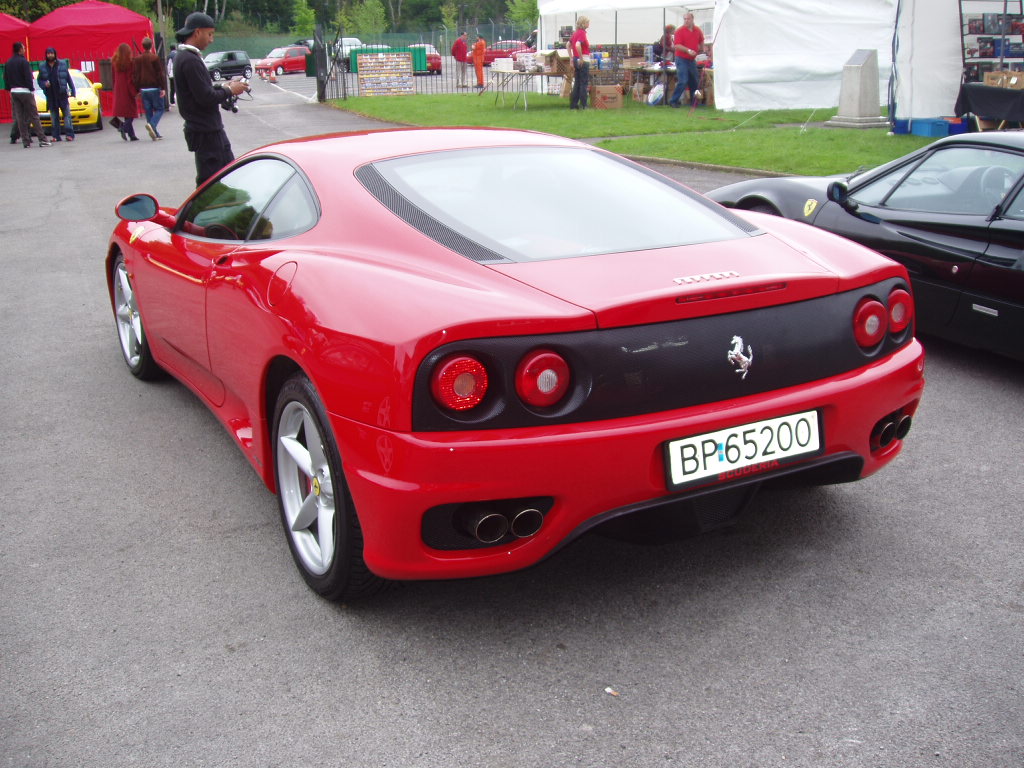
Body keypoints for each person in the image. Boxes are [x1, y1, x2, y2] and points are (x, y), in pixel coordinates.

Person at [173, 12, 248, 186]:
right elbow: (205, 97)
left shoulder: (185, 57)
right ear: (197, 32)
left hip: (205, 130)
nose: (211, 39)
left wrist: (224, 86)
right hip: (206, 132)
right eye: (210, 34)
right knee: (213, 183)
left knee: (224, 178)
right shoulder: (190, 60)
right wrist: (230, 90)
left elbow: (201, 91)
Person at [5, 42, 51, 147]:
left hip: (14, 91)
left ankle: (25, 141)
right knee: (34, 116)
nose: (25, 50)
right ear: (20, 50)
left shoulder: (8, 62)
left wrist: (10, 89)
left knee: (20, 117)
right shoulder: (24, 62)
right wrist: (31, 89)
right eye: (24, 48)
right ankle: (42, 139)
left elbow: (6, 78)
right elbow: (28, 77)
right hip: (25, 91)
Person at [37, 47, 76, 142]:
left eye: (52, 53)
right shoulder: (42, 66)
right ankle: (56, 136)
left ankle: (69, 135)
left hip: (62, 94)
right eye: (48, 53)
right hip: (51, 95)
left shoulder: (62, 64)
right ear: (46, 55)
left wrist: (73, 90)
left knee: (67, 115)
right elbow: (39, 80)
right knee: (54, 117)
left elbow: (68, 78)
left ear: (55, 54)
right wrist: (44, 84)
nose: (50, 55)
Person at [133, 37, 166, 140]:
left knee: (148, 111)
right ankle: (152, 125)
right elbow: (159, 73)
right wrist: (163, 87)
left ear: (143, 46)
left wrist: (137, 89)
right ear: (151, 45)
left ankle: (154, 132)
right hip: (154, 87)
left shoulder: (137, 59)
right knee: (160, 108)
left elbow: (136, 75)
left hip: (143, 89)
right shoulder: (154, 58)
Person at [669, 12, 704, 107]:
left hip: (692, 60)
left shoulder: (697, 30)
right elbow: (677, 45)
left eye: (688, 19)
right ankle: (673, 101)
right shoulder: (679, 31)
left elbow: (701, 40)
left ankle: (695, 101)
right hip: (681, 59)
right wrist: (688, 50)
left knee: (695, 81)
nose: (686, 21)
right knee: (683, 80)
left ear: (692, 19)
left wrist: (701, 49)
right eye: (684, 19)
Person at [111, 42, 139, 141]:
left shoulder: (115, 62)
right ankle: (123, 127)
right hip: (127, 90)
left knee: (127, 113)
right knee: (131, 113)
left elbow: (113, 77)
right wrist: (134, 92)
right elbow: (129, 80)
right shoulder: (129, 63)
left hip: (119, 89)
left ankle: (132, 135)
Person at [569, 16, 591, 110]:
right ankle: (584, 105)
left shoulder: (575, 33)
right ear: (583, 23)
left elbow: (568, 45)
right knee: (583, 83)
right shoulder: (582, 33)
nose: (588, 24)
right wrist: (581, 58)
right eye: (587, 22)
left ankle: (574, 105)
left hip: (575, 59)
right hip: (583, 59)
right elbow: (578, 45)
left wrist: (571, 58)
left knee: (577, 82)